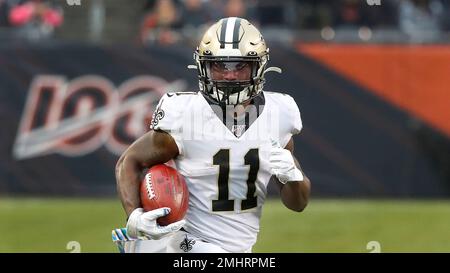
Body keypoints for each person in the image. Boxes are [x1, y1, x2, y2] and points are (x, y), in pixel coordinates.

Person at [115, 17, 311, 253]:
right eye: (219, 65)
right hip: (186, 242)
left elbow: (298, 203)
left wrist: (293, 177)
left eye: (239, 66)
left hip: (240, 248)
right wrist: (135, 215)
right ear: (203, 66)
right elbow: (130, 160)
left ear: (258, 67)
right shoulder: (185, 114)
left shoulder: (279, 114)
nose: (229, 76)